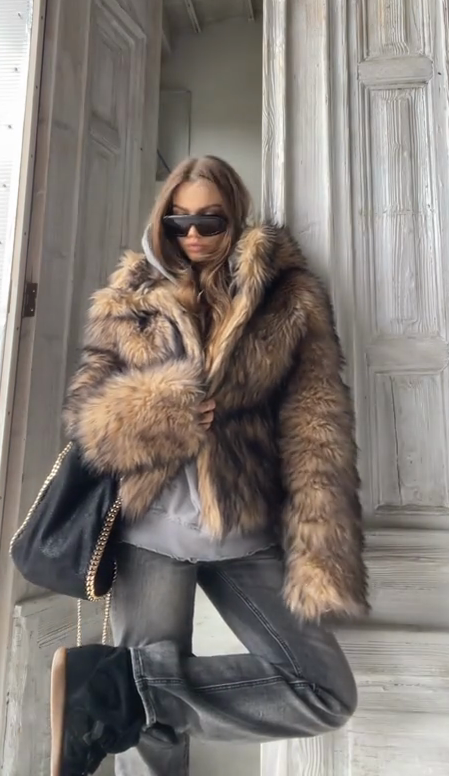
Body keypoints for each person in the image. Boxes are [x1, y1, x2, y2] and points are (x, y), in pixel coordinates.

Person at [51, 155, 368, 776]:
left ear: (235, 217)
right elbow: (88, 420)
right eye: (179, 221)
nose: (192, 234)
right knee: (152, 747)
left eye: (209, 221)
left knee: (326, 692)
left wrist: (321, 549)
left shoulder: (286, 297)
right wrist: (163, 410)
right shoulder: (131, 296)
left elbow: (317, 425)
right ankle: (124, 697)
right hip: (150, 532)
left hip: (244, 530)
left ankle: (124, 690)